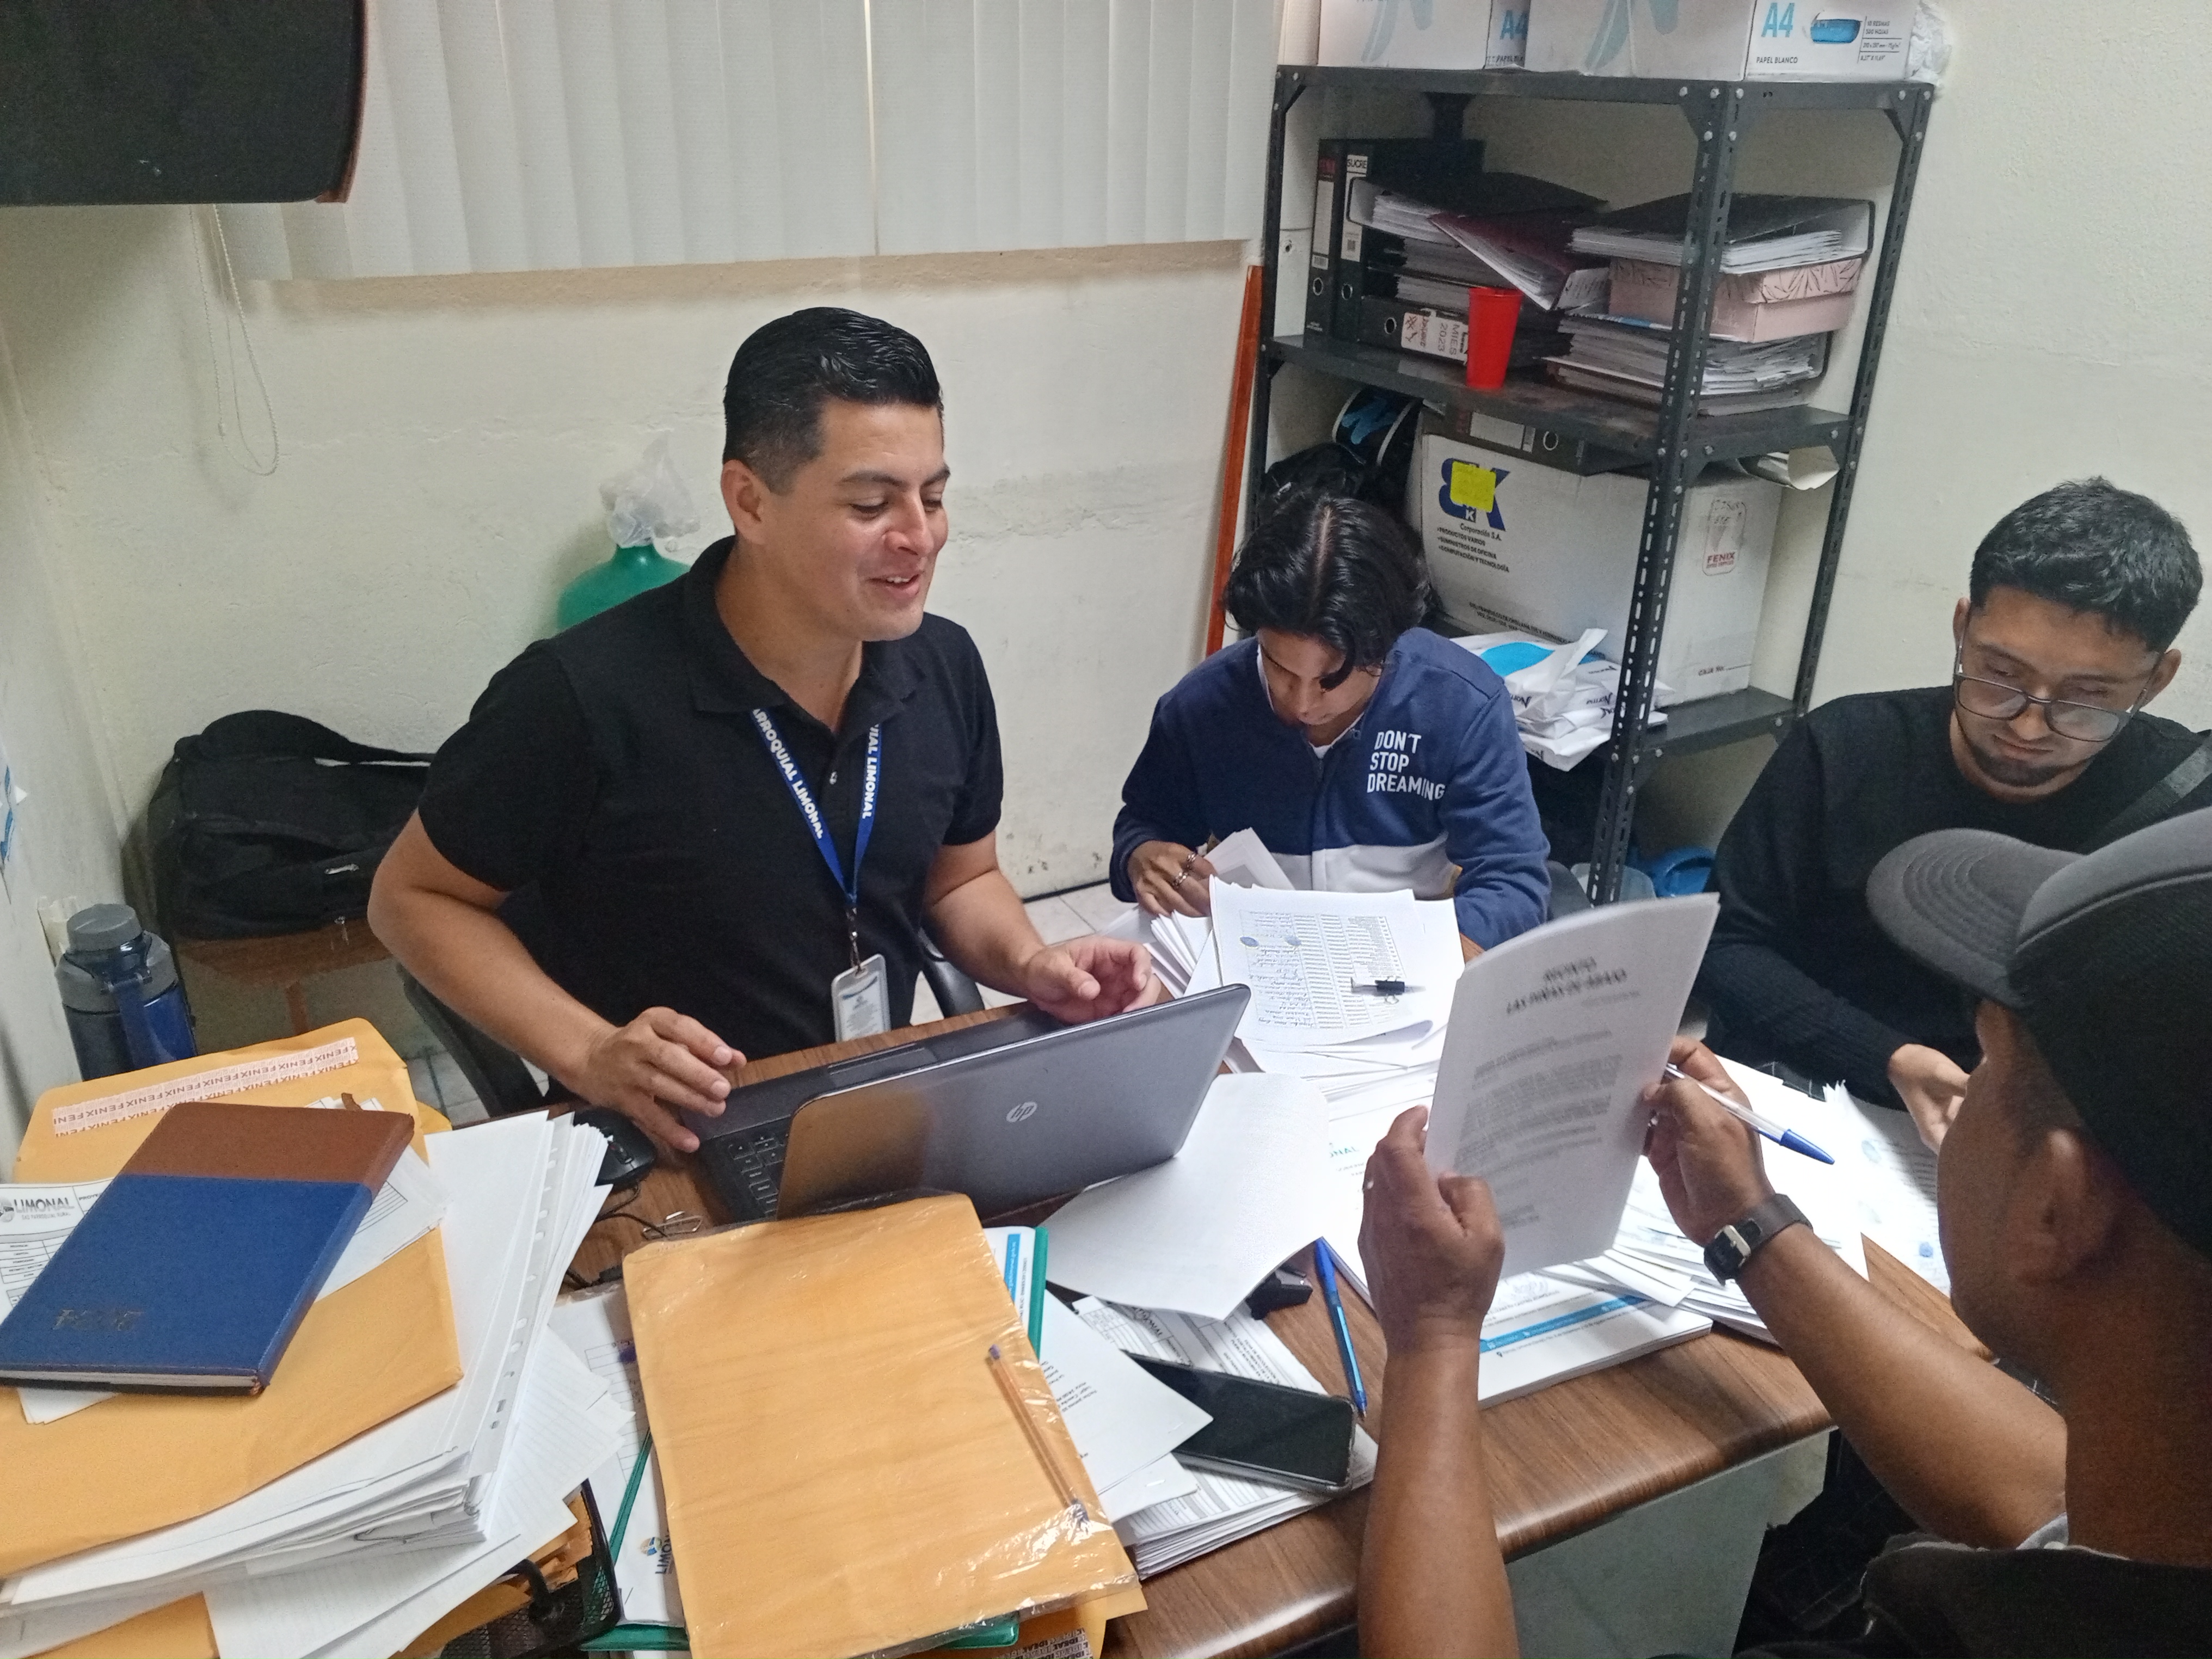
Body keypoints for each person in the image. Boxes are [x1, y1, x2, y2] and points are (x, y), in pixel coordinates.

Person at [1356, 808, 2212, 1659]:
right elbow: (2048, 1499)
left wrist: (1432, 1340)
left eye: (1986, 1062)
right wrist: (1749, 1222)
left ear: (2056, 1209)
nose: (1968, 1087)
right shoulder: (2164, 1508)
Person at [369, 308, 1156, 1152]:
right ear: (749, 501)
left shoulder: (943, 667)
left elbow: (959, 881)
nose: (920, 537)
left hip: (873, 1112)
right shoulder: (581, 697)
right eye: (871, 503)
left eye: (932, 497)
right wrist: (591, 1052)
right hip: (677, 1137)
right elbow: (412, 900)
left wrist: (1031, 961)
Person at [1699, 476, 2207, 1147]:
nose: (2027, 726)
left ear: (2156, 679)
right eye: (1999, 676)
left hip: (2029, 1136)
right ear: (1963, 626)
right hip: (1813, 1094)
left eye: (2085, 698)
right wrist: (1888, 1060)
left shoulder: (2184, 810)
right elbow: (1723, 945)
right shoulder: (1846, 747)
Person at [1110, 492, 1550, 949]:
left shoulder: (1459, 704)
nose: (1303, 704)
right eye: (1280, 668)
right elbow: (1145, 825)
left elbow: (1512, 880)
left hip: (1409, 953)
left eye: (1331, 679)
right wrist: (1141, 855)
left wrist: (1438, 952)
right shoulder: (1201, 707)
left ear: (1386, 647)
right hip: (1259, 950)